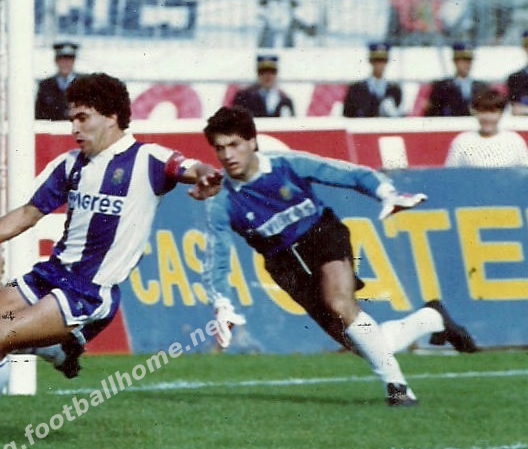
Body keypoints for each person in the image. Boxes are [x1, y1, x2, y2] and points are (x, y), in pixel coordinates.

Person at [0, 73, 220, 442]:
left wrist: (207, 177)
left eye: (82, 117)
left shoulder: (147, 159)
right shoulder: (70, 164)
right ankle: (57, 349)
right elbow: (28, 214)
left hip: (86, 293)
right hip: (49, 276)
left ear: (111, 117)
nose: (74, 128)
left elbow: (192, 168)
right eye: (71, 118)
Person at [201, 106, 476, 407]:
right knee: (363, 343)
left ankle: (398, 390)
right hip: (284, 265)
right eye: (219, 148)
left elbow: (352, 175)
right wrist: (221, 302)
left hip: (321, 235)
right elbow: (217, 257)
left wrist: (387, 193)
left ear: (252, 141)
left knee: (339, 303)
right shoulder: (221, 201)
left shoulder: (287, 165)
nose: (227, 155)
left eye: (234, 144)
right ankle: (431, 318)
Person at [444, 89, 528, 168]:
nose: (487, 118)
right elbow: (450, 175)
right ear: (475, 112)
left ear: (501, 113)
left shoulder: (515, 140)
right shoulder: (462, 141)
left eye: (493, 112)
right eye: (483, 112)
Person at [424, 42, 490, 117]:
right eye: (463, 61)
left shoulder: (482, 87)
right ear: (455, 62)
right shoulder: (442, 87)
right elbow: (433, 112)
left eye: (469, 61)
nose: (466, 64)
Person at [344, 42, 405, 118]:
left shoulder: (395, 90)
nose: (379, 64)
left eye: (383, 60)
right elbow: (347, 115)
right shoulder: (356, 89)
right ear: (370, 61)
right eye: (376, 60)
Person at [231, 53, 296, 118]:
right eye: (263, 72)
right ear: (257, 74)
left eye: (271, 72)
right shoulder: (244, 97)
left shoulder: (284, 99)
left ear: (276, 74)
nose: (267, 76)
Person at [35, 40, 79, 122]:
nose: (65, 63)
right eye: (62, 59)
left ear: (74, 61)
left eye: (69, 59)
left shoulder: (83, 84)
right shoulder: (45, 85)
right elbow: (39, 115)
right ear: (56, 61)